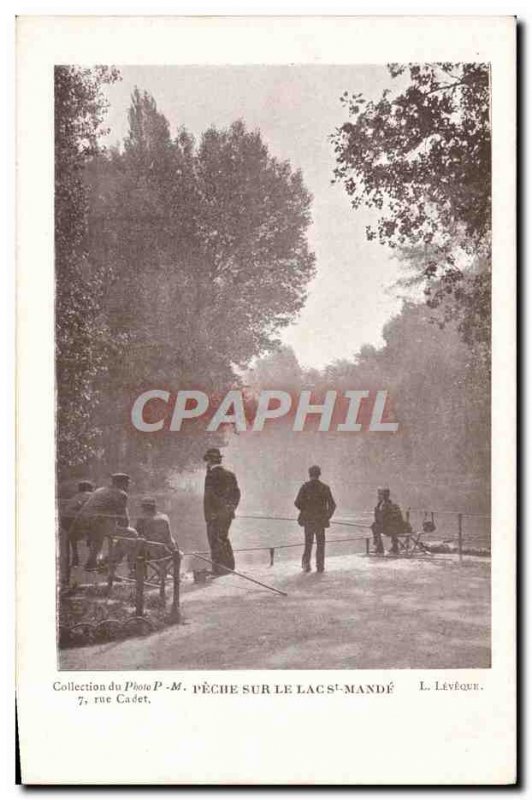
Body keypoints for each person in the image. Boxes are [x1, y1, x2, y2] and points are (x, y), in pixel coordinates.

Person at [80, 473, 131, 570]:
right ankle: (108, 563)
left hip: (86, 524)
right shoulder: (121, 494)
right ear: (121, 483)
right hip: (100, 525)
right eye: (127, 483)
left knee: (98, 542)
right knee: (132, 535)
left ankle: (93, 563)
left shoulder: (99, 490)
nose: (128, 486)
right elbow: (124, 520)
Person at [203, 447, 241, 576]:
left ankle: (218, 570)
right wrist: (231, 507)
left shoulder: (210, 475)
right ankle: (229, 567)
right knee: (224, 538)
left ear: (209, 462)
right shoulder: (230, 474)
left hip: (214, 515)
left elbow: (209, 497)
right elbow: (237, 493)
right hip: (227, 514)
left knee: (214, 541)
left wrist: (210, 515)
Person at [294, 465, 336, 573]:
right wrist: (327, 516)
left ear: (309, 474)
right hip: (320, 521)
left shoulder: (305, 487)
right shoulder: (325, 488)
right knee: (320, 544)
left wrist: (305, 510)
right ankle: (320, 566)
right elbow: (333, 505)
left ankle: (306, 565)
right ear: (319, 474)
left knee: (308, 543)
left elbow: (297, 503)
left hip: (308, 520)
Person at [59, 480, 94, 567]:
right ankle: (92, 558)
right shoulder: (90, 495)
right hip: (76, 519)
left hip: (65, 520)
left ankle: (75, 557)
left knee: (72, 538)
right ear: (88, 488)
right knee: (94, 529)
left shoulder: (76, 496)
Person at [371, 487, 406, 555]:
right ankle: (390, 546)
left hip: (393, 528)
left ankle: (379, 547)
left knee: (375, 527)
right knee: (375, 526)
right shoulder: (380, 505)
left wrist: (378, 524)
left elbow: (387, 519)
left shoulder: (388, 506)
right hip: (389, 527)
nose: (378, 496)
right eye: (378, 494)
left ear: (384, 496)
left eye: (380, 495)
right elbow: (379, 519)